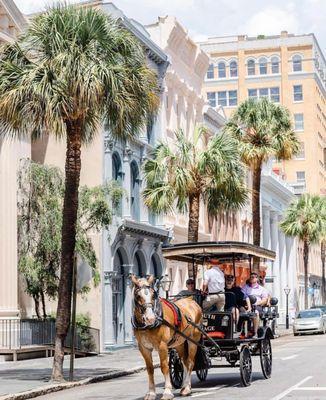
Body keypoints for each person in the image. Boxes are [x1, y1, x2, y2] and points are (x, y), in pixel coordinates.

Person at [241, 272, 269, 338]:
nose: (252, 278)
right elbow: (242, 295)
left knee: (255, 312)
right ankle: (242, 331)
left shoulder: (262, 289)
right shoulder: (245, 287)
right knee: (241, 312)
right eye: (251, 277)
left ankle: (255, 332)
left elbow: (264, 300)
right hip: (247, 305)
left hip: (257, 306)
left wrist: (257, 303)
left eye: (254, 277)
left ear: (257, 279)